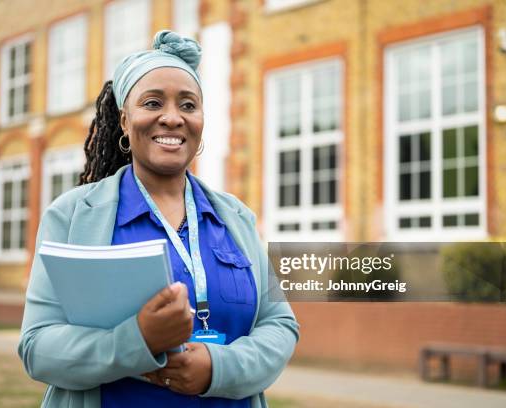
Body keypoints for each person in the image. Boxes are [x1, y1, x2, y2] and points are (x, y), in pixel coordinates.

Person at [18, 30, 299, 408]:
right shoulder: (71, 216)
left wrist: (218, 368)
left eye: (188, 105)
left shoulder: (236, 218)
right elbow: (38, 347)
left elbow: (279, 325)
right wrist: (137, 341)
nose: (172, 118)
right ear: (124, 120)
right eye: (152, 103)